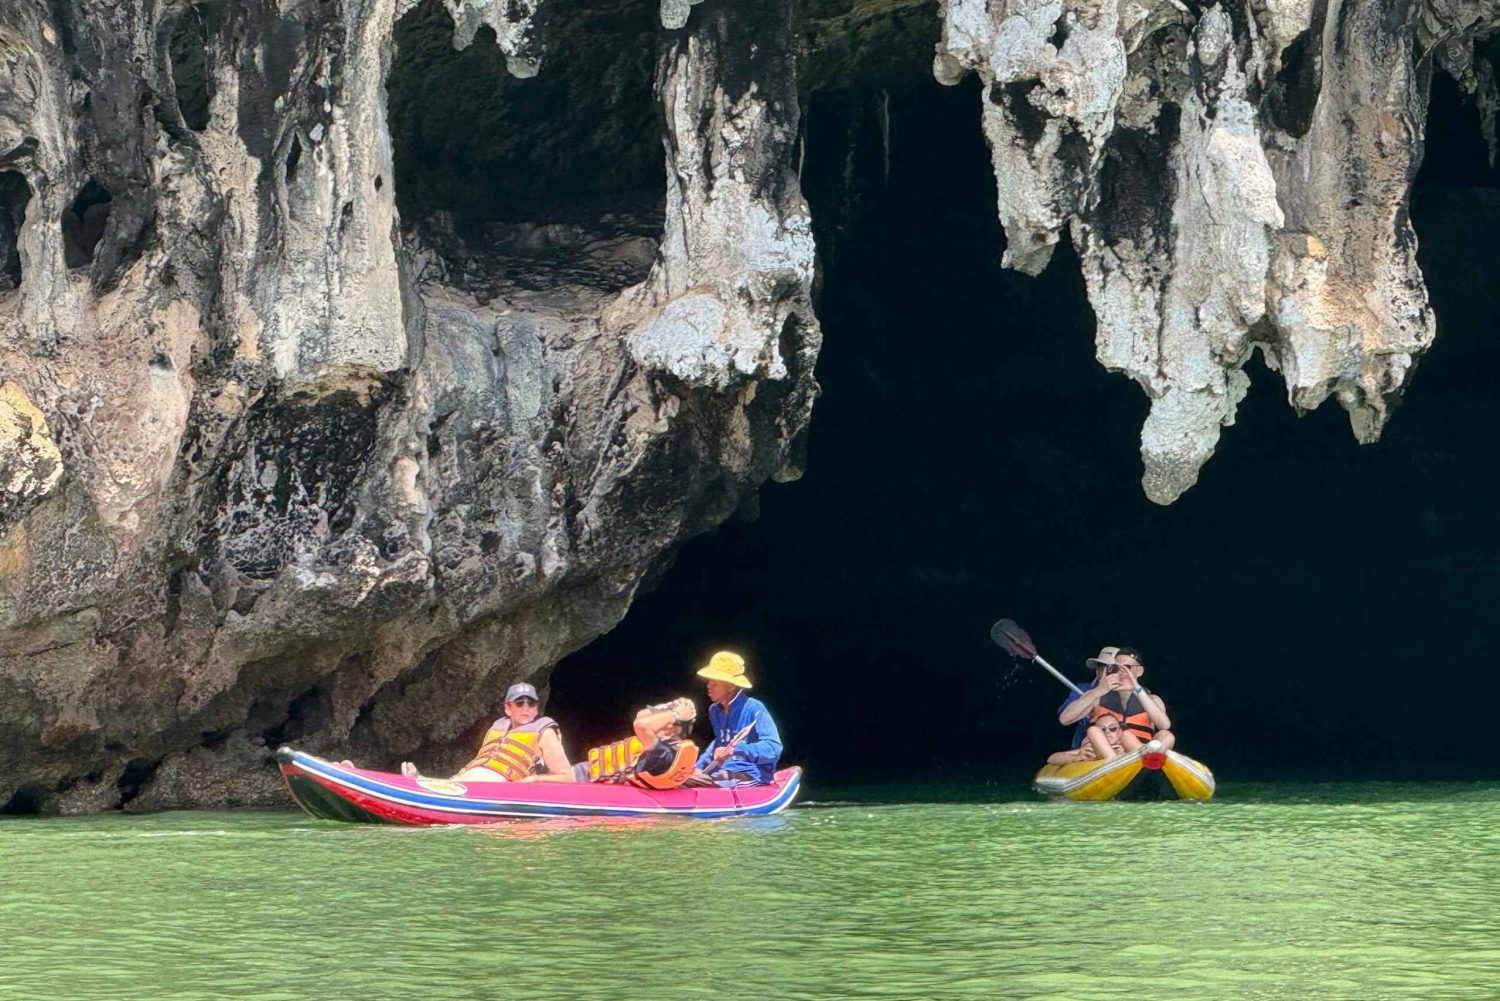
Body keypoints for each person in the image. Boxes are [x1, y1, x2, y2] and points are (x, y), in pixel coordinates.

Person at [402, 682, 572, 782]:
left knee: (473, 780)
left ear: (536, 708)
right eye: (519, 703)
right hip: (475, 776)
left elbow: (566, 777)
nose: (526, 708)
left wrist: (534, 779)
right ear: (508, 708)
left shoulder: (544, 731)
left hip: (505, 782)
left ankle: (427, 786)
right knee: (464, 779)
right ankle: (427, 784)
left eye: (531, 704)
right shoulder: (498, 726)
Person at [526, 698, 701, 788]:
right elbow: (640, 716)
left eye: (660, 719)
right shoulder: (656, 744)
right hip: (577, 773)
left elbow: (641, 725)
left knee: (545, 728)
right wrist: (670, 706)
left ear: (673, 729)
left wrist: (674, 715)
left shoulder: (664, 754)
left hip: (576, 780)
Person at [693, 651, 783, 786]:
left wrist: (735, 749)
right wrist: (699, 767)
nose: (709, 685)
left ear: (732, 685)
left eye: (715, 681)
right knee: (688, 779)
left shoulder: (755, 708)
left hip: (752, 773)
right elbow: (719, 743)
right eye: (709, 681)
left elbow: (773, 748)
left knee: (716, 781)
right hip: (723, 772)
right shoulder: (714, 710)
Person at [1058, 646, 1174, 751]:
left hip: (1139, 752)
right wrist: (1099, 690)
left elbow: (1164, 725)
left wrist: (1137, 689)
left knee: (1166, 736)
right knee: (1092, 733)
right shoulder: (1097, 696)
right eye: (1115, 668)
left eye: (1127, 668)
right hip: (1106, 754)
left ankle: (1148, 757)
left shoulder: (1153, 699)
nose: (1121, 672)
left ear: (1139, 671)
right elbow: (1065, 719)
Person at [1047, 715, 1125, 764]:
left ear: (1120, 731)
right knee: (1093, 731)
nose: (1108, 732)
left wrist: (1123, 753)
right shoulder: (1091, 749)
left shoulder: (1126, 743)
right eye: (1102, 729)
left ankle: (1116, 762)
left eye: (1113, 728)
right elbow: (1051, 758)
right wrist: (1077, 757)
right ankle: (1115, 762)